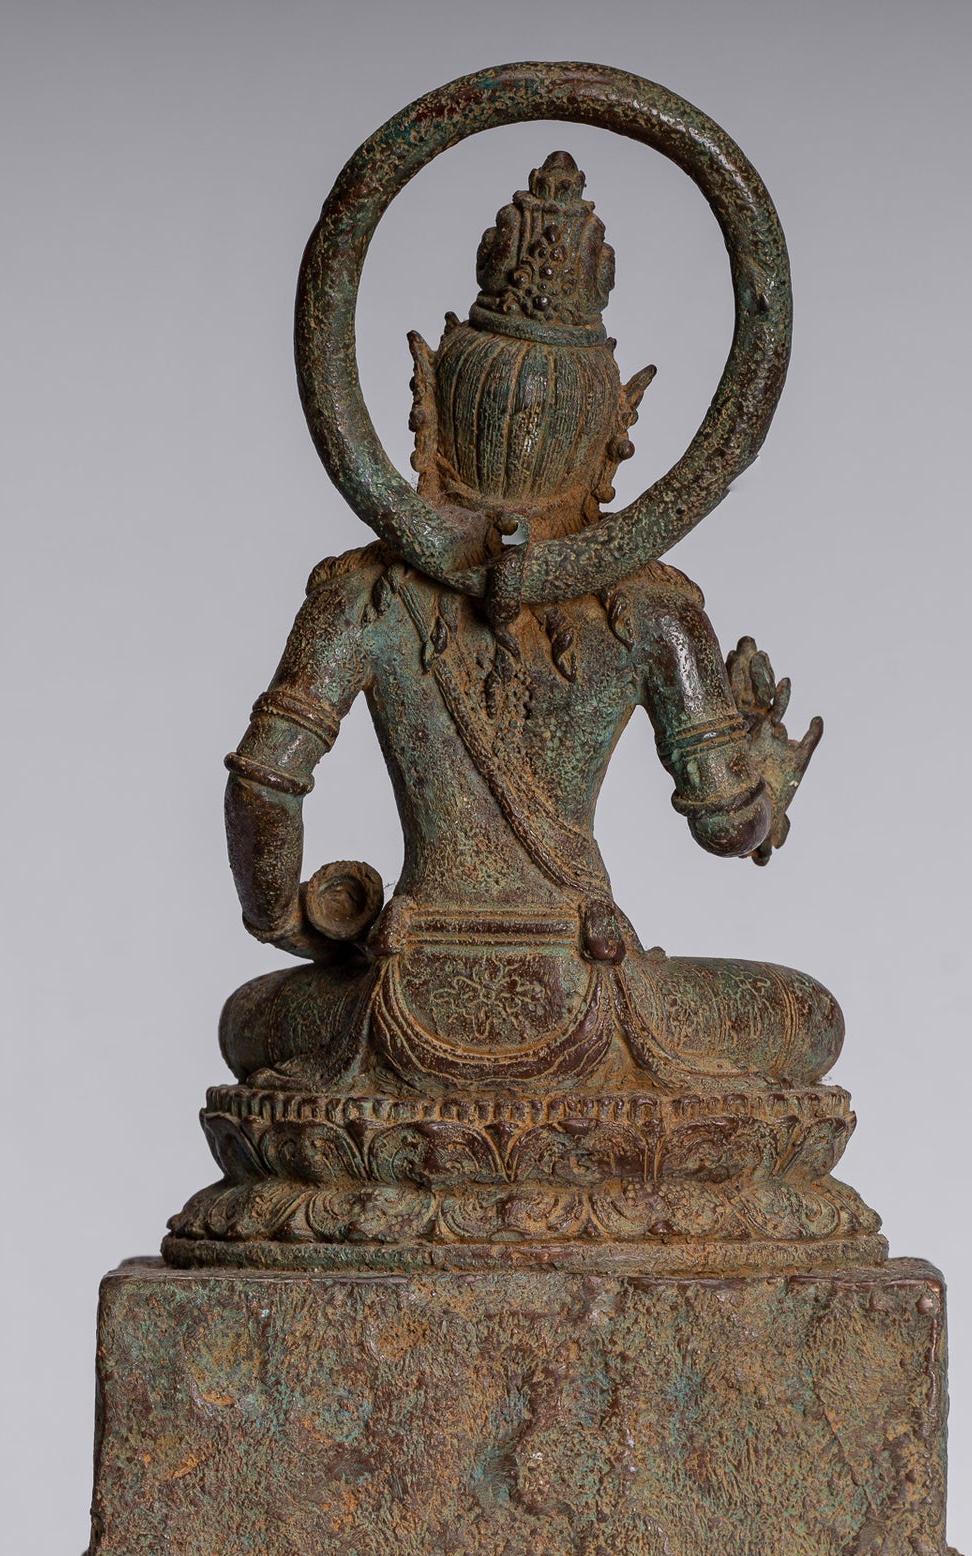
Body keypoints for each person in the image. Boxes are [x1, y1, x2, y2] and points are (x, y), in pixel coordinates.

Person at [219, 153, 840, 1097]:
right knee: (805, 1017)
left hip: (398, 996)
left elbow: (265, 786)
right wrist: (767, 774)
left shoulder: (360, 594)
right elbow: (726, 826)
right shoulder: (654, 609)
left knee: (250, 1022)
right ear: (611, 428)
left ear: (430, 406)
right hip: (591, 989)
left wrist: (294, 923)